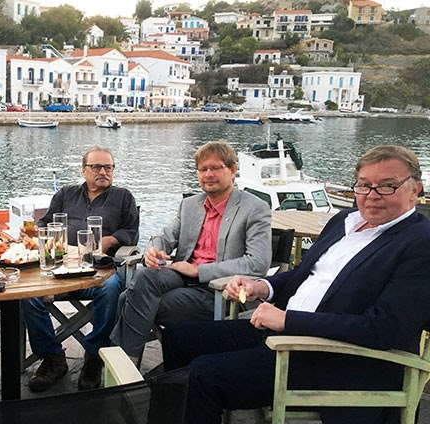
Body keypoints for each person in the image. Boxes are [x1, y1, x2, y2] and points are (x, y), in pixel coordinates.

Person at [162, 145, 430, 424]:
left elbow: (383, 329)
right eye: (364, 185)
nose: (372, 195)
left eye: (387, 186)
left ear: (415, 190)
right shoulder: (345, 221)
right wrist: (262, 287)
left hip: (332, 357)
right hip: (282, 333)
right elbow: (302, 273)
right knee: (178, 337)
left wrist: (287, 320)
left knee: (204, 375)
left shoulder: (419, 243)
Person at [111, 141, 272, 360]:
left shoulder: (254, 208)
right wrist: (154, 250)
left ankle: (124, 362)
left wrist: (200, 271)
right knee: (144, 275)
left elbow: (258, 263)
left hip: (219, 291)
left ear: (233, 170)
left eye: (215, 168)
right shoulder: (190, 205)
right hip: (181, 278)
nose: (208, 174)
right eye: (203, 169)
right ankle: (126, 362)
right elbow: (165, 236)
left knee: (126, 299)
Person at [22, 146, 140, 392]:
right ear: (83, 170)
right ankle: (53, 357)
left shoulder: (123, 197)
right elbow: (46, 222)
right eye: (96, 167)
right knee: (28, 294)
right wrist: (34, 230)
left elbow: (131, 232)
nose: (103, 172)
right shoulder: (66, 194)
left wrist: (110, 240)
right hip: (59, 267)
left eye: (108, 167)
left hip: (97, 271)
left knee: (111, 288)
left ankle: (94, 355)